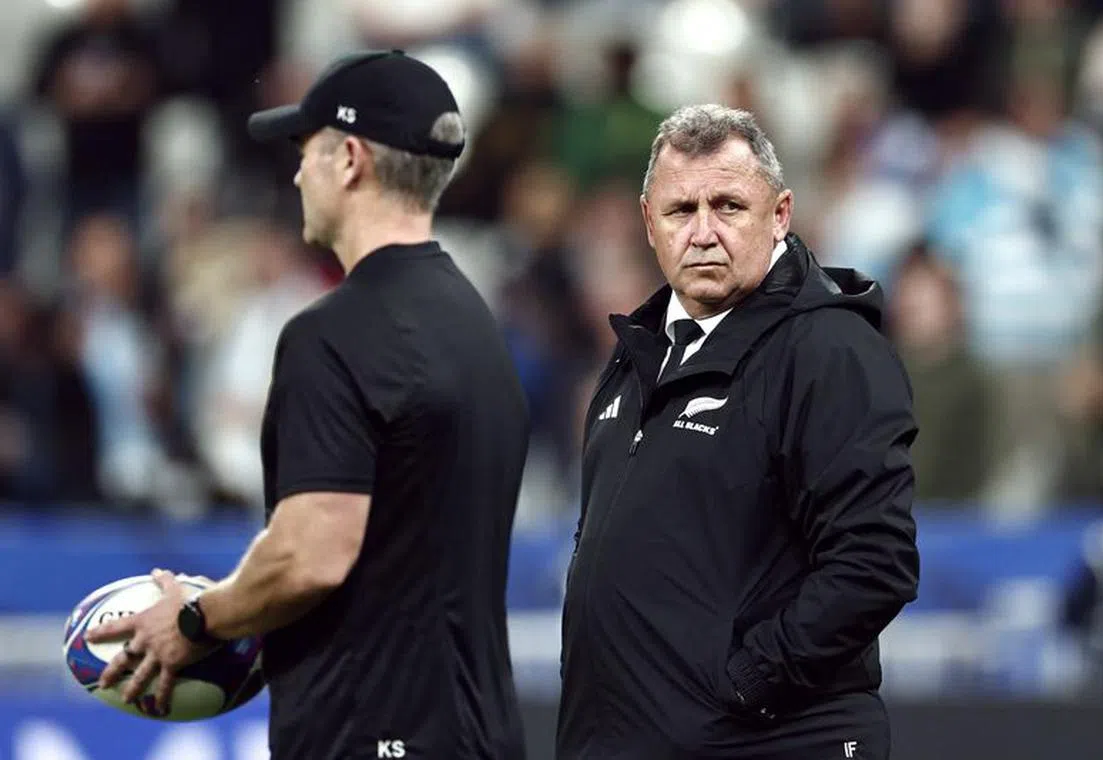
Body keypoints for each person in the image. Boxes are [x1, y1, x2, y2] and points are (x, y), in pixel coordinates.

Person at [86, 50, 530, 760]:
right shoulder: (476, 325)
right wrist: (246, 599)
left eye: (307, 151)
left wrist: (197, 619)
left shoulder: (333, 333)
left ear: (350, 158)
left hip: (371, 738)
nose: (295, 174)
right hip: (478, 733)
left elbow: (312, 554)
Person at [557, 104, 921, 759]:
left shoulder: (829, 350)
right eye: (680, 210)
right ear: (648, 221)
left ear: (779, 215)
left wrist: (747, 684)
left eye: (728, 206)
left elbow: (874, 564)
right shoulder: (632, 358)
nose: (702, 233)